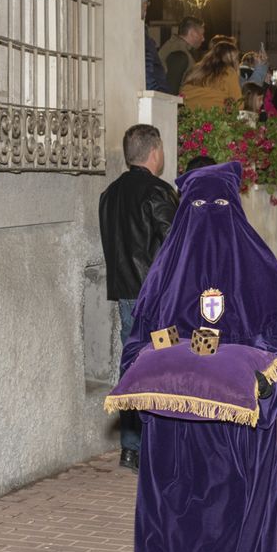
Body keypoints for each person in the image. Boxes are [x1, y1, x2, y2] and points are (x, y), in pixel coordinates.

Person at [121, 161, 277, 552]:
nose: (209, 218)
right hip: (173, 438)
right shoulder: (162, 279)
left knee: (224, 538)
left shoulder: (262, 277)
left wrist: (264, 387)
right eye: (198, 208)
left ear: (236, 211)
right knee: (165, 541)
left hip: (235, 440)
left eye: (219, 207)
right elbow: (134, 351)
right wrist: (159, 369)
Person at [97, 125, 177, 469]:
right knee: (164, 362)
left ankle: (131, 446)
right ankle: (159, 444)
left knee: (132, 364)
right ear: (155, 152)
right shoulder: (158, 191)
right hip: (158, 299)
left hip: (127, 297)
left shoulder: (110, 194)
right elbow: (176, 244)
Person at [179, 36, 243, 109]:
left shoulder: (196, 69)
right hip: (212, 113)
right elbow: (239, 105)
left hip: (187, 110)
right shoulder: (229, 72)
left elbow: (183, 91)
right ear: (233, 60)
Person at [159, 16, 205, 92]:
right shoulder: (180, 53)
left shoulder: (174, 45)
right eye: (202, 34)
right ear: (192, 33)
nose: (203, 39)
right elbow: (172, 90)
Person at [141, 0, 169, 94]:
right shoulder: (140, 35)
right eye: (146, 3)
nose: (146, 7)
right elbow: (147, 65)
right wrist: (157, 94)